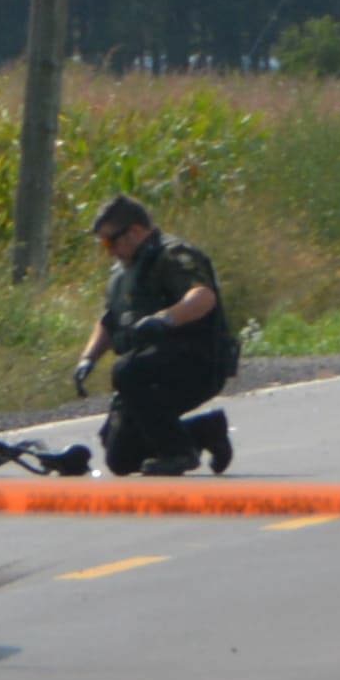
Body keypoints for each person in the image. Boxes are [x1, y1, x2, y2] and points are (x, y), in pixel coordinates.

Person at [81, 192, 239, 476]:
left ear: (135, 232)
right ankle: (205, 431)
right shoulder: (122, 273)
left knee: (126, 370)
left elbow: (203, 297)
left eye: (110, 241)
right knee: (120, 457)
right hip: (150, 370)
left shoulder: (173, 255)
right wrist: (87, 359)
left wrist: (165, 319)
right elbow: (109, 320)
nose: (108, 250)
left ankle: (178, 453)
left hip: (197, 363)